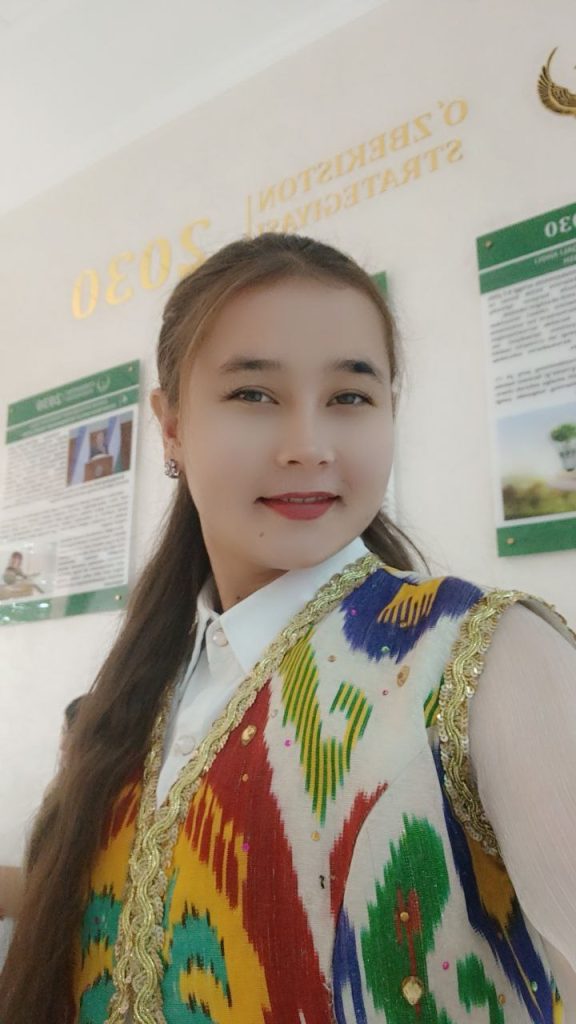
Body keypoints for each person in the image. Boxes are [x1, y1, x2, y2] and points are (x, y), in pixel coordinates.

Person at [1, 234, 574, 1024]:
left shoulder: (488, 655)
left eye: (350, 397)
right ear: (170, 426)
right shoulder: (140, 694)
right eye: (253, 394)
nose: (309, 446)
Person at [0, 696, 85, 928]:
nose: (62, 744)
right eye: (64, 731)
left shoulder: (85, 795)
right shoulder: (58, 786)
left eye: (72, 734)